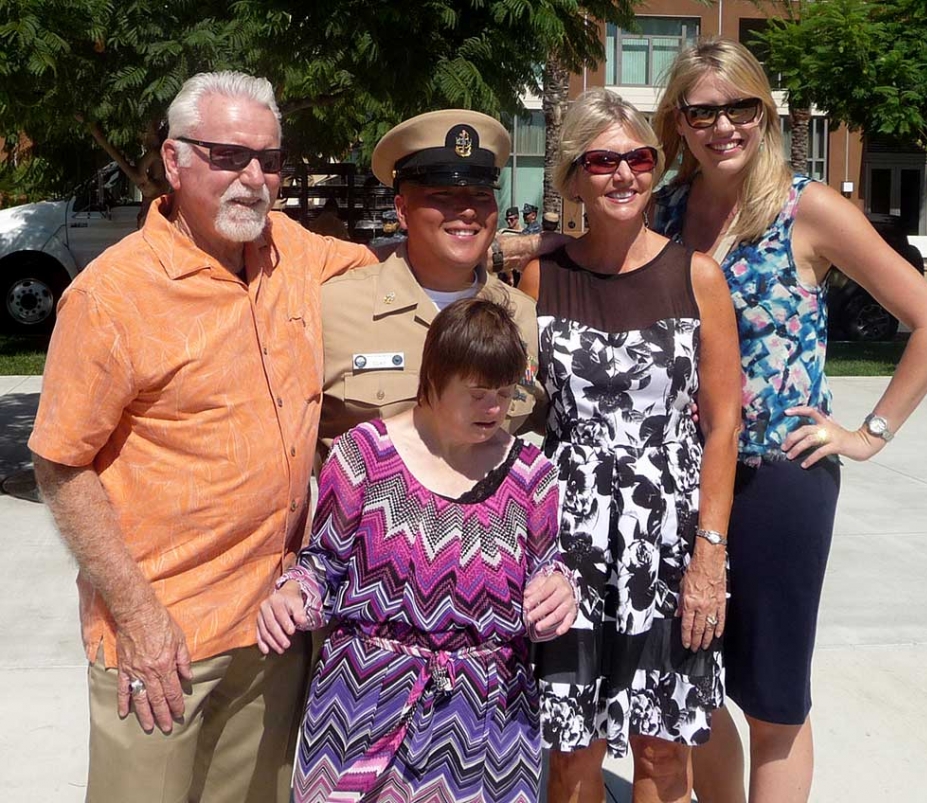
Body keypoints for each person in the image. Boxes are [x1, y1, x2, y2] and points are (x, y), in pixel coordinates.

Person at [29, 71, 378, 803]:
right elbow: (61, 463)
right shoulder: (110, 296)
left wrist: (544, 255)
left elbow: (407, 272)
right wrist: (139, 616)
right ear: (173, 160)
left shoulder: (298, 255)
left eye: (270, 159)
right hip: (162, 642)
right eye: (227, 155)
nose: (253, 177)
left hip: (273, 632)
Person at [651, 38, 927, 803]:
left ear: (765, 113)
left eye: (741, 108)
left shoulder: (807, 207)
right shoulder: (659, 209)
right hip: (679, 477)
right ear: (679, 123)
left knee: (774, 698)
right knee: (687, 682)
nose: (724, 126)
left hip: (778, 478)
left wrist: (866, 433)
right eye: (704, 111)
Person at [257, 296, 579, 802]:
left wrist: (560, 590)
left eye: (505, 392)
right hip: (361, 709)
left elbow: (547, 569)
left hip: (486, 725)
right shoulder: (364, 455)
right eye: (477, 393)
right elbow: (322, 565)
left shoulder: (531, 476)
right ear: (432, 378)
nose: (495, 409)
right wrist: (294, 594)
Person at [518, 88, 743, 803]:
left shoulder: (696, 277)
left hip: (667, 544)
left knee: (662, 757)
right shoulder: (540, 277)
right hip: (567, 546)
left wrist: (709, 552)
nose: (624, 174)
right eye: (603, 160)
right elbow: (520, 415)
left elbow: (723, 424)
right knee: (570, 755)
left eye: (639, 157)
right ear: (575, 176)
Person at [317, 109, 544, 461]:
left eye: (481, 194)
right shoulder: (334, 309)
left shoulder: (522, 316)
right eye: (443, 194)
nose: (467, 210)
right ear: (403, 210)